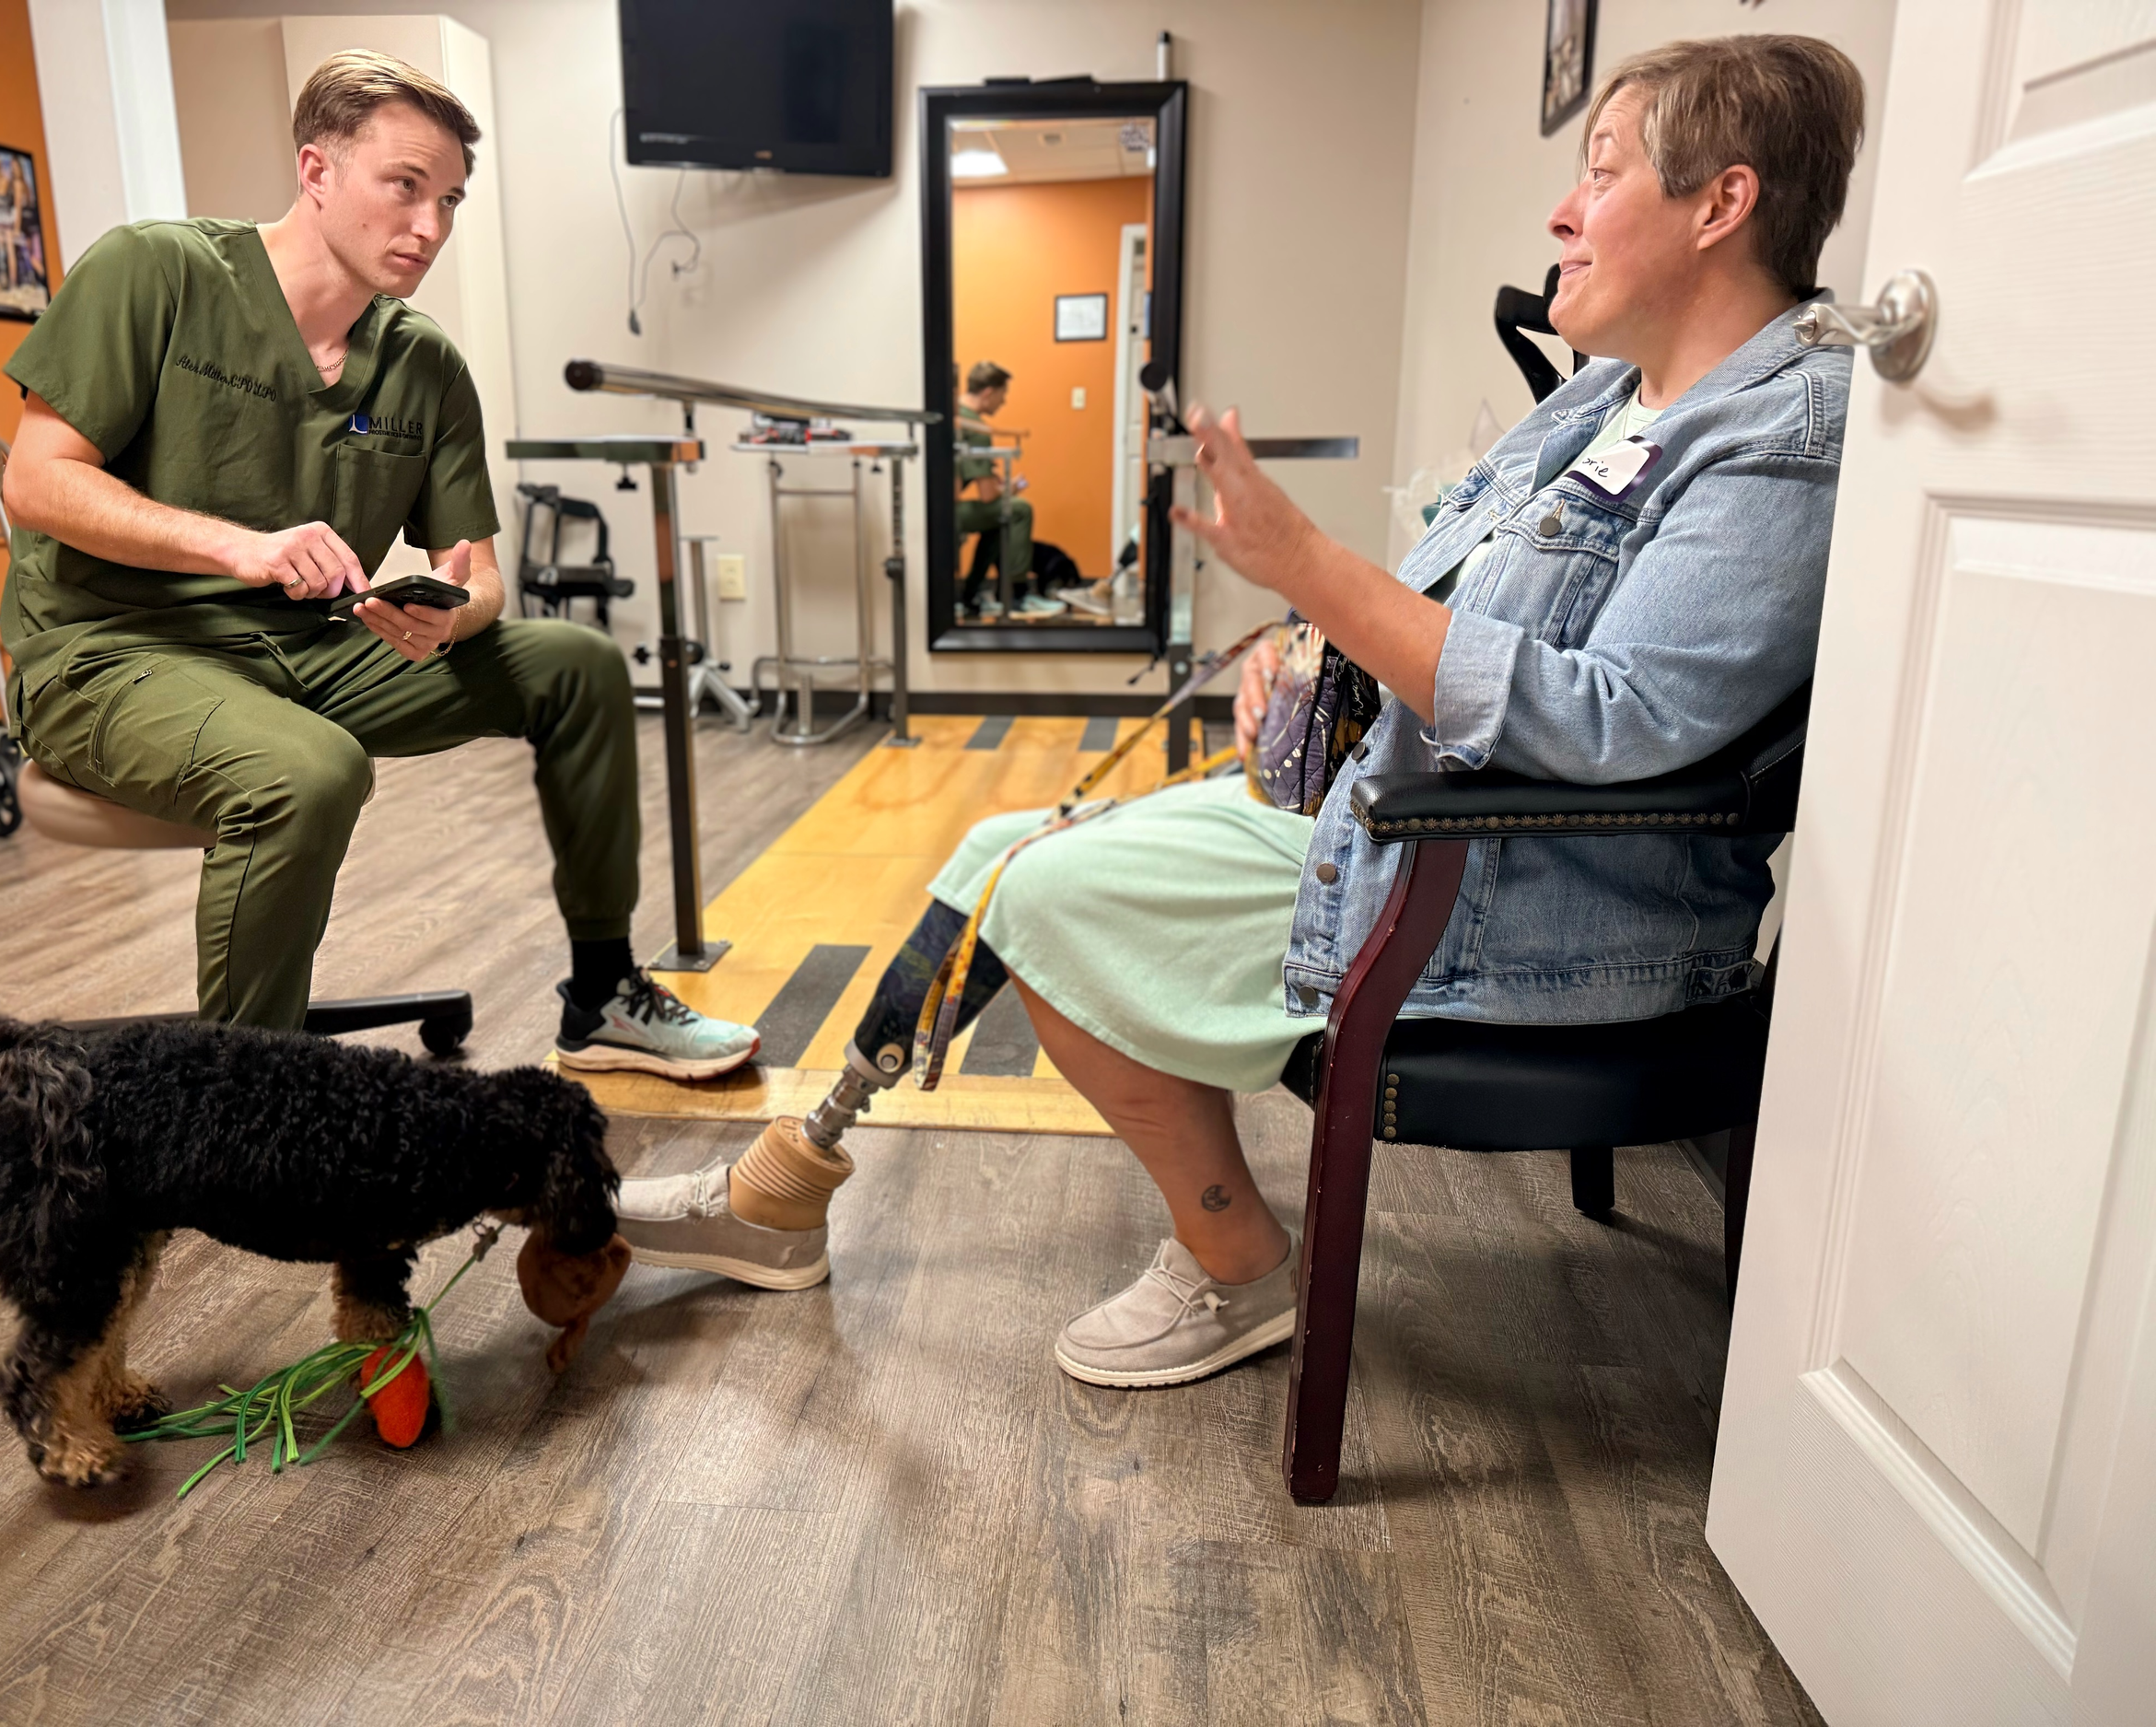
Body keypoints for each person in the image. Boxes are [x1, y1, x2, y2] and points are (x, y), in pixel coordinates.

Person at [612, 34, 1865, 1336]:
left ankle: (1232, 1259)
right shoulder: (1605, 398)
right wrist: (1318, 668)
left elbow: (1624, 718)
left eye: (1601, 173)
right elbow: (1462, 619)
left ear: (1722, 203)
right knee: (999, 841)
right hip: (1408, 816)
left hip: (1513, 887)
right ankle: (797, 1173)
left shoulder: (1784, 433)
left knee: (1038, 896)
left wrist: (1316, 574)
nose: (1561, 211)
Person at [0, 51, 758, 1079]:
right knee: (311, 771)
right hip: (110, 653)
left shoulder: (424, 363)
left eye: (448, 198)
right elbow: (37, 484)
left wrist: (458, 614)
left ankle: (602, 996)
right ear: (316, 171)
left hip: (308, 649)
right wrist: (242, 546)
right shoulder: (157, 272)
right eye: (404, 187)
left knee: (573, 664)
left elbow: (478, 572)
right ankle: (247, 1103)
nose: (431, 227)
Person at [954, 361, 1061, 620]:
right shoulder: (977, 429)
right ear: (988, 393)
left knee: (1000, 518)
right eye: (1003, 395)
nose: (1004, 403)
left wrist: (999, 486)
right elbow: (988, 495)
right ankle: (1018, 595)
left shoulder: (957, 415)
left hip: (939, 505)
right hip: (947, 512)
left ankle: (971, 596)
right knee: (1019, 509)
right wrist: (1010, 490)